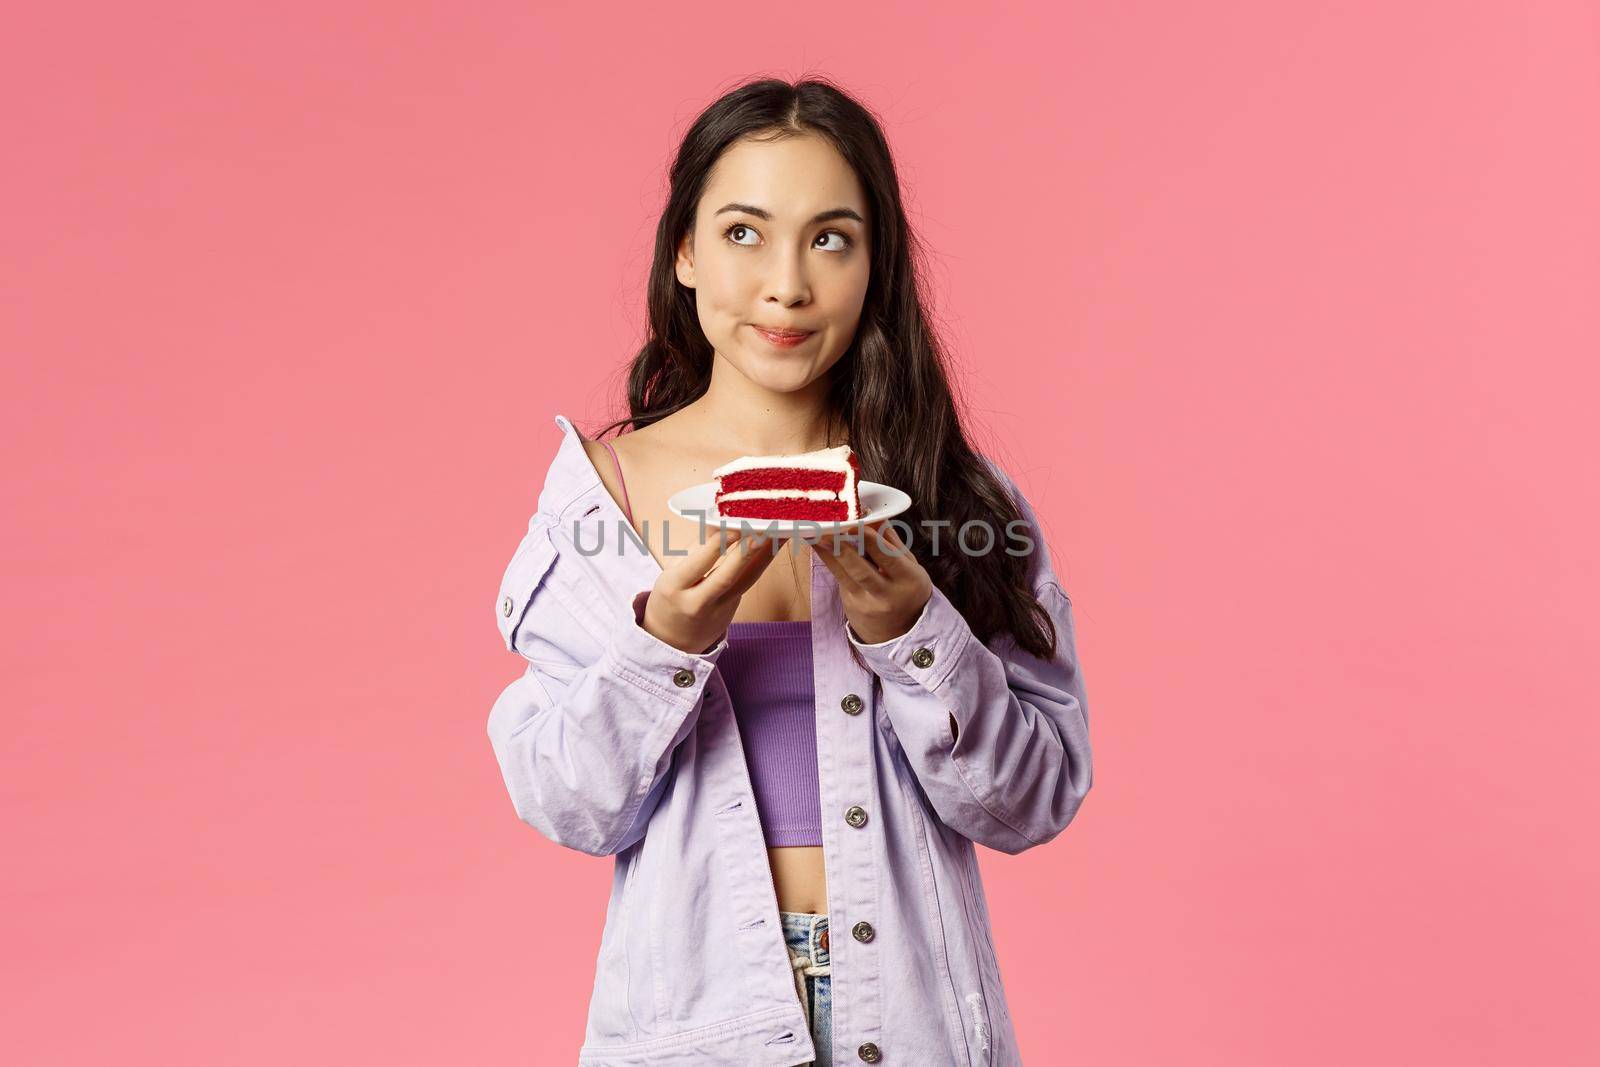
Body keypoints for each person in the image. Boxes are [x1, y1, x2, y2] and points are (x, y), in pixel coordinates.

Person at [487, 76, 1093, 1067]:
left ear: (873, 265)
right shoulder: (604, 503)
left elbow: (1030, 800)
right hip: (695, 1029)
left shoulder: (953, 501)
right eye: (741, 232)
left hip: (914, 1024)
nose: (785, 285)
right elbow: (571, 803)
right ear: (682, 250)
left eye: (830, 238)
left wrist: (913, 632)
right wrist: (665, 641)